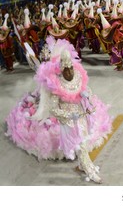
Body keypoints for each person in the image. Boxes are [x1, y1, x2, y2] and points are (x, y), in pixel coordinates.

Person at [5, 36, 112, 183]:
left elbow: (85, 90)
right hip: (68, 120)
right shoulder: (56, 85)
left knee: (83, 141)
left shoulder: (78, 75)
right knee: (79, 145)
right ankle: (90, 170)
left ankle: (82, 165)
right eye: (66, 70)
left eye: (70, 69)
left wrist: (88, 98)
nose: (69, 72)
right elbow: (53, 108)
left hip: (81, 115)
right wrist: (68, 115)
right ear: (61, 70)